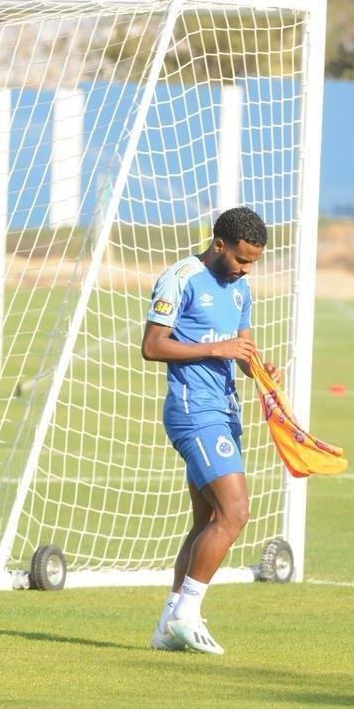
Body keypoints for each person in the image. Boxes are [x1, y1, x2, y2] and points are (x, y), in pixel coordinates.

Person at [141, 206, 281, 655]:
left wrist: (256, 366)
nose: (246, 269)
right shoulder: (180, 278)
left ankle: (167, 623)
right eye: (241, 259)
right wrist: (217, 347)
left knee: (207, 521)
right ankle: (188, 613)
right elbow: (152, 345)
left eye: (253, 262)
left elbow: (242, 348)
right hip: (192, 410)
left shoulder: (241, 290)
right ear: (219, 244)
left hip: (224, 408)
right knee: (235, 513)